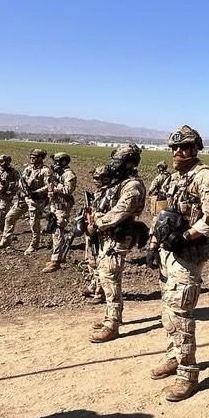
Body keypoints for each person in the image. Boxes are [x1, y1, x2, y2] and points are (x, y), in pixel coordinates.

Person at [149, 125, 209, 402]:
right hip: (168, 253)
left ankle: (187, 374)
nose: (178, 152)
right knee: (168, 311)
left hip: (188, 254)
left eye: (184, 147)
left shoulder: (206, 177)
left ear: (195, 148)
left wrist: (185, 236)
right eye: (174, 148)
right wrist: (153, 244)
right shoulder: (173, 179)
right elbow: (161, 216)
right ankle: (174, 356)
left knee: (180, 313)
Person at [85, 144, 146, 343]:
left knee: (110, 277)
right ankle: (109, 316)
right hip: (106, 235)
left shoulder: (132, 186)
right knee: (104, 276)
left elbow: (120, 212)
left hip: (119, 236)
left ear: (130, 163)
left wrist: (97, 223)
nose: (113, 165)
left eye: (118, 161)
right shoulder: (117, 183)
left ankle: (112, 324)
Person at [0, 148, 51, 254]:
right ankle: (5, 241)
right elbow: (21, 181)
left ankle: (34, 245)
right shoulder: (28, 169)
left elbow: (49, 186)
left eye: (34, 157)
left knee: (34, 223)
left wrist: (36, 192)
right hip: (24, 198)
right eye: (31, 157)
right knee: (10, 217)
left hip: (36, 200)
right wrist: (21, 190)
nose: (32, 159)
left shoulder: (45, 171)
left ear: (40, 158)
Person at [82, 163, 115, 304]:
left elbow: (109, 215)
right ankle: (94, 286)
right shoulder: (98, 193)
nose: (94, 181)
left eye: (97, 178)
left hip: (102, 232)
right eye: (94, 178)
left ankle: (99, 293)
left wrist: (95, 222)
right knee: (91, 261)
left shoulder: (110, 194)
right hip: (92, 230)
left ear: (106, 178)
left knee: (99, 262)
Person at [43, 153, 78, 273]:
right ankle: (56, 257)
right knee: (54, 231)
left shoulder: (69, 174)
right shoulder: (57, 173)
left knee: (57, 232)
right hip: (55, 205)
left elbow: (68, 190)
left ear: (64, 162)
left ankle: (56, 261)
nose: (55, 164)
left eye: (57, 161)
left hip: (62, 207)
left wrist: (55, 185)